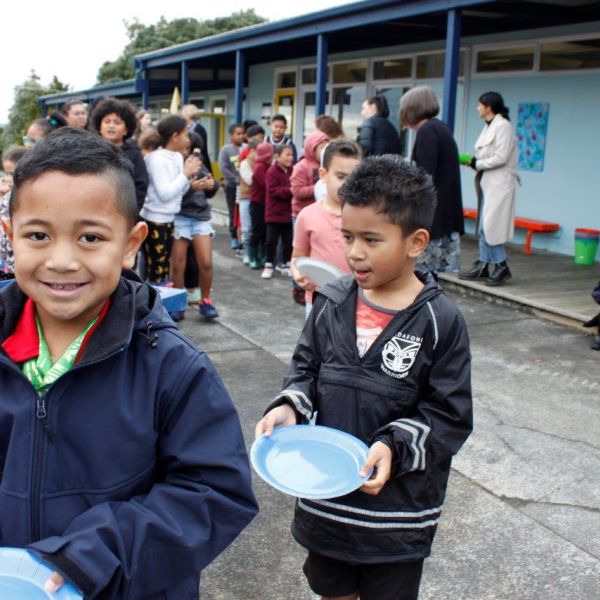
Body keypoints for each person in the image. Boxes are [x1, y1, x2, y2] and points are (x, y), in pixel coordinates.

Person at [0, 128, 258, 599]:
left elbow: (215, 493)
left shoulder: (172, 366)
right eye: (38, 235)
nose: (61, 260)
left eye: (90, 237)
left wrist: (96, 554)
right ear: (9, 234)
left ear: (131, 242)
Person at [255, 156, 472, 600]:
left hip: (395, 517)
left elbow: (449, 413)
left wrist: (392, 445)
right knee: (330, 590)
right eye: (348, 237)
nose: (354, 252)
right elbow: (305, 369)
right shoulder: (331, 301)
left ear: (416, 242)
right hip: (327, 501)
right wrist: (288, 405)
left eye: (371, 239)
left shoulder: (439, 320)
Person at [290, 140, 361, 316]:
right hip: (317, 300)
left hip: (357, 302)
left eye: (353, 177)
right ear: (323, 174)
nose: (347, 183)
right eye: (341, 176)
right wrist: (299, 275)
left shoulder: (365, 217)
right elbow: (297, 258)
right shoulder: (307, 215)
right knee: (316, 344)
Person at [400, 86, 464, 274]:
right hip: (446, 216)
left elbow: (424, 176)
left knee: (423, 276)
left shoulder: (427, 132)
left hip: (433, 219)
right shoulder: (440, 128)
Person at [459, 91, 518, 286]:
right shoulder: (490, 126)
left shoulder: (503, 126)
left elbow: (501, 157)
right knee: (484, 227)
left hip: (499, 184)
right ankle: (484, 264)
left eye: (479, 105)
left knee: (490, 226)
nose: (477, 108)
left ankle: (501, 265)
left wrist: (476, 163)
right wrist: (473, 162)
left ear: (489, 107)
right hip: (487, 182)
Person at [140, 115, 201, 284]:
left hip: (169, 218)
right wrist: (185, 174)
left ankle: (160, 301)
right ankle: (154, 304)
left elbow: (178, 191)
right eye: (186, 134)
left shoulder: (175, 157)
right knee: (157, 269)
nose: (188, 139)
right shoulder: (157, 159)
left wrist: (191, 182)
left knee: (164, 266)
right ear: (175, 136)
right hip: (155, 219)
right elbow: (165, 194)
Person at [170, 138, 220, 320]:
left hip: (201, 217)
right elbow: (170, 193)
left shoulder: (197, 162)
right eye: (187, 147)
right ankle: (176, 302)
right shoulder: (174, 163)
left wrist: (210, 185)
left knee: (206, 262)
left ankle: (205, 300)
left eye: (191, 147)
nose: (189, 151)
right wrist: (191, 188)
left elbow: (212, 187)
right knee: (177, 264)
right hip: (180, 217)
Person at [90, 97, 149, 215]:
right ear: (99, 127)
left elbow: (140, 187)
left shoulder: (134, 155)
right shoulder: (89, 150)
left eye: (117, 123)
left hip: (122, 213)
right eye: (107, 122)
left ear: (126, 130)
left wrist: (130, 214)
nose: (111, 126)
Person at [262, 145, 295, 279]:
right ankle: (268, 265)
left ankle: (285, 264)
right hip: (273, 213)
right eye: (287, 154)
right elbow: (272, 190)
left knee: (288, 242)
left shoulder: (293, 170)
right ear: (277, 156)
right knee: (271, 241)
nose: (290, 157)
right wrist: (290, 191)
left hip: (288, 212)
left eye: (291, 155)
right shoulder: (271, 171)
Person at [0, 146, 28, 277]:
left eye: (11, 174)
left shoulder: (25, 199)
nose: (6, 178)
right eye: (5, 173)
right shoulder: (6, 198)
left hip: (17, 266)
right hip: (6, 265)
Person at [218, 123, 244, 250]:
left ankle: (241, 236)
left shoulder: (246, 148)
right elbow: (223, 167)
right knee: (233, 211)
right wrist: (235, 179)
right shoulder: (226, 150)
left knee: (242, 212)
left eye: (242, 133)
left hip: (245, 187)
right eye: (238, 134)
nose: (241, 136)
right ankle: (234, 236)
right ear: (231, 135)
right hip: (232, 186)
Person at [239, 138, 261, 266]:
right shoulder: (245, 164)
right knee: (247, 229)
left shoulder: (262, 163)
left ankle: (256, 254)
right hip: (247, 198)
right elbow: (251, 181)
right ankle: (247, 253)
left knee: (257, 228)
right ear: (252, 151)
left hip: (258, 199)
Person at [181, 104, 212, 174]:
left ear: (188, 114)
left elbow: (200, 147)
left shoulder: (198, 129)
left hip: (198, 162)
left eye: (183, 113)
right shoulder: (188, 127)